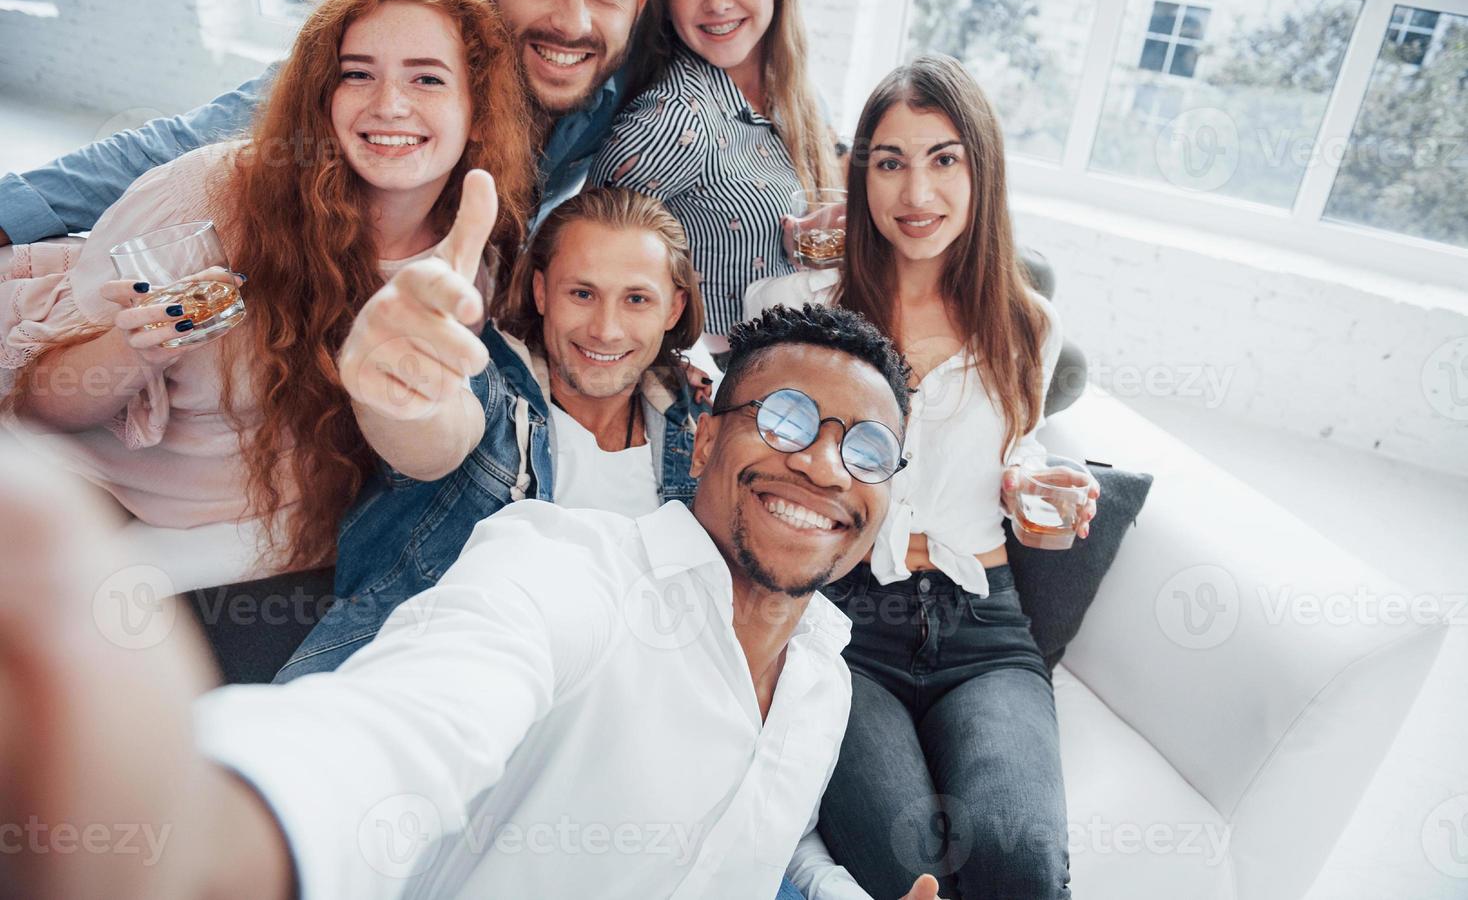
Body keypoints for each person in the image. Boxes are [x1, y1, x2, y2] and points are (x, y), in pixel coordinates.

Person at [0, 304, 957, 900]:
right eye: (785, 418)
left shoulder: (824, 682)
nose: (823, 464)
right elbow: (407, 728)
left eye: (866, 449)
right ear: (704, 441)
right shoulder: (566, 570)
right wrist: (197, 834)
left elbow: (758, 823)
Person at [0, 0, 536, 585]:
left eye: (427, 78)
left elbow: (438, 449)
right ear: (319, 97)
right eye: (357, 74)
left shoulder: (471, 252)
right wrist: (131, 349)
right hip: (85, 485)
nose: (390, 103)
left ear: (476, 112)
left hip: (241, 540)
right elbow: (40, 405)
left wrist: (404, 397)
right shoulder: (202, 197)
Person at [745, 55, 1100, 899]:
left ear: (982, 170)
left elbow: (1011, 452)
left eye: (945, 159)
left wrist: (1035, 487)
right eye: (891, 161)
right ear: (858, 173)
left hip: (985, 628)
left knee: (1020, 869)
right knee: (907, 868)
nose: (917, 193)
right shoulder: (801, 309)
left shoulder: (1027, 323)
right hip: (843, 625)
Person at [276, 186, 708, 680]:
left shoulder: (699, 427)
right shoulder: (491, 386)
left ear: (673, 309)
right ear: (542, 292)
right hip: (424, 702)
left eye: (636, 299)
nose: (606, 330)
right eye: (582, 293)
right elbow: (437, 435)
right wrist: (399, 385)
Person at [0, 0, 653, 246]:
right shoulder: (402, 52)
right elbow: (177, 148)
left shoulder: (629, 83)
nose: (572, 22)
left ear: (639, 1)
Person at [589, 0, 840, 350]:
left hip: (803, 359)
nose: (717, 1)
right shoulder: (672, 118)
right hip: (730, 387)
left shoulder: (796, 93)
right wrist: (675, 370)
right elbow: (584, 264)